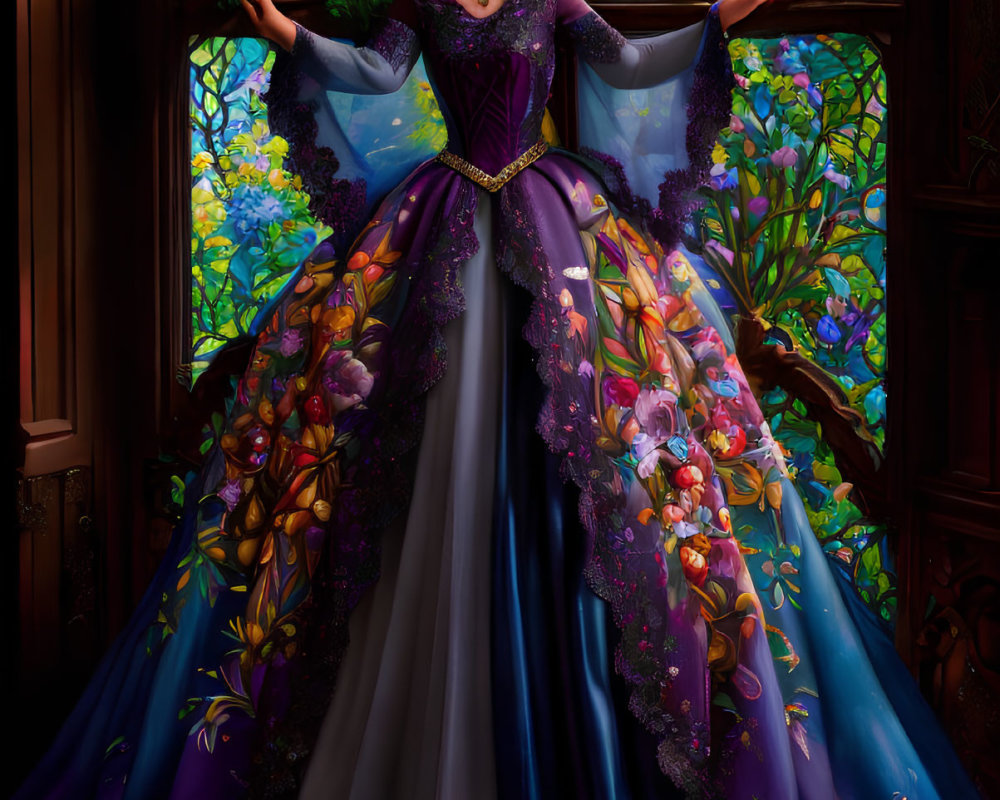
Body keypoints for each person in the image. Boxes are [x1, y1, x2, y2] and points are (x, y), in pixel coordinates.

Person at [17, 0, 980, 797]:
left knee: (603, 456)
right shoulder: (425, 6)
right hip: (437, 222)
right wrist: (284, 34)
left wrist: (721, 17)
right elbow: (380, 73)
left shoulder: (547, 2)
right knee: (395, 448)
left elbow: (631, 62)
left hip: (555, 218)